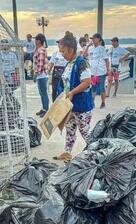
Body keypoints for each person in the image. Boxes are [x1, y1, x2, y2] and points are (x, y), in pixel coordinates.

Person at [53, 32, 94, 162]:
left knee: (85, 132)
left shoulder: (82, 63)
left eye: (63, 51)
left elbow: (87, 82)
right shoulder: (69, 63)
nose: (62, 54)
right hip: (69, 106)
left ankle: (96, 154)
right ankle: (67, 152)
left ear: (71, 50)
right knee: (69, 130)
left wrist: (72, 93)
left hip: (81, 105)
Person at [85, 33, 109, 109]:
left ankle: (103, 102)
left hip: (101, 72)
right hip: (92, 72)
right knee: (93, 87)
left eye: (94, 38)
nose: (93, 40)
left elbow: (106, 60)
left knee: (101, 87)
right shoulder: (91, 48)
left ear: (98, 39)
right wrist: (88, 46)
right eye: (92, 39)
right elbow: (84, 55)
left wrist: (108, 70)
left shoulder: (102, 48)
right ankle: (92, 103)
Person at [33, 33, 49, 117]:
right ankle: (44, 109)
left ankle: (46, 110)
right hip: (40, 75)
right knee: (41, 93)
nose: (34, 41)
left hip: (41, 75)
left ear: (38, 41)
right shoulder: (38, 49)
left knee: (44, 93)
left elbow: (40, 63)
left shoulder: (41, 50)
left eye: (35, 40)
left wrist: (36, 74)